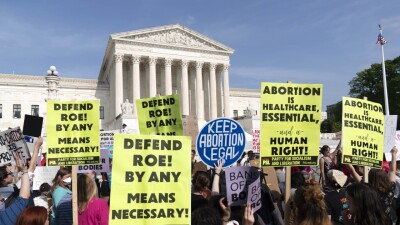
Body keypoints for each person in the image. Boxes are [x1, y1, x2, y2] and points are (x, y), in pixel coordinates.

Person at [0, 156, 32, 225]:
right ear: (3, 179)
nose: (2, 199)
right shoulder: (6, 216)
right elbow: (23, 198)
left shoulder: (12, 188)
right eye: (9, 173)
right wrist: (36, 148)